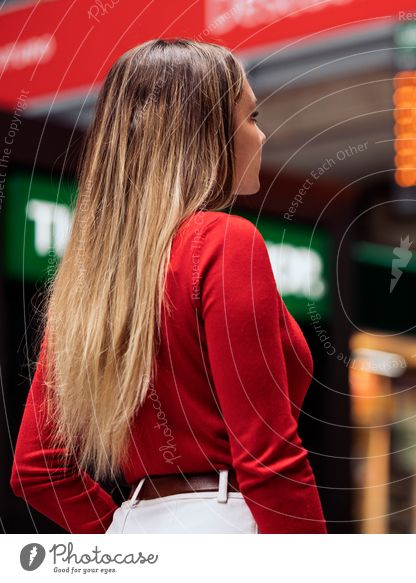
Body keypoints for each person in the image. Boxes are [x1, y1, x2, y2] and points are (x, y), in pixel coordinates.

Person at [8, 38, 328, 534]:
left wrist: (119, 540)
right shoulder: (225, 241)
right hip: (225, 526)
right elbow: (269, 459)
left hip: (133, 530)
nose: (262, 136)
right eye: (251, 117)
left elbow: (37, 467)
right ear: (205, 135)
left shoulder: (92, 277)